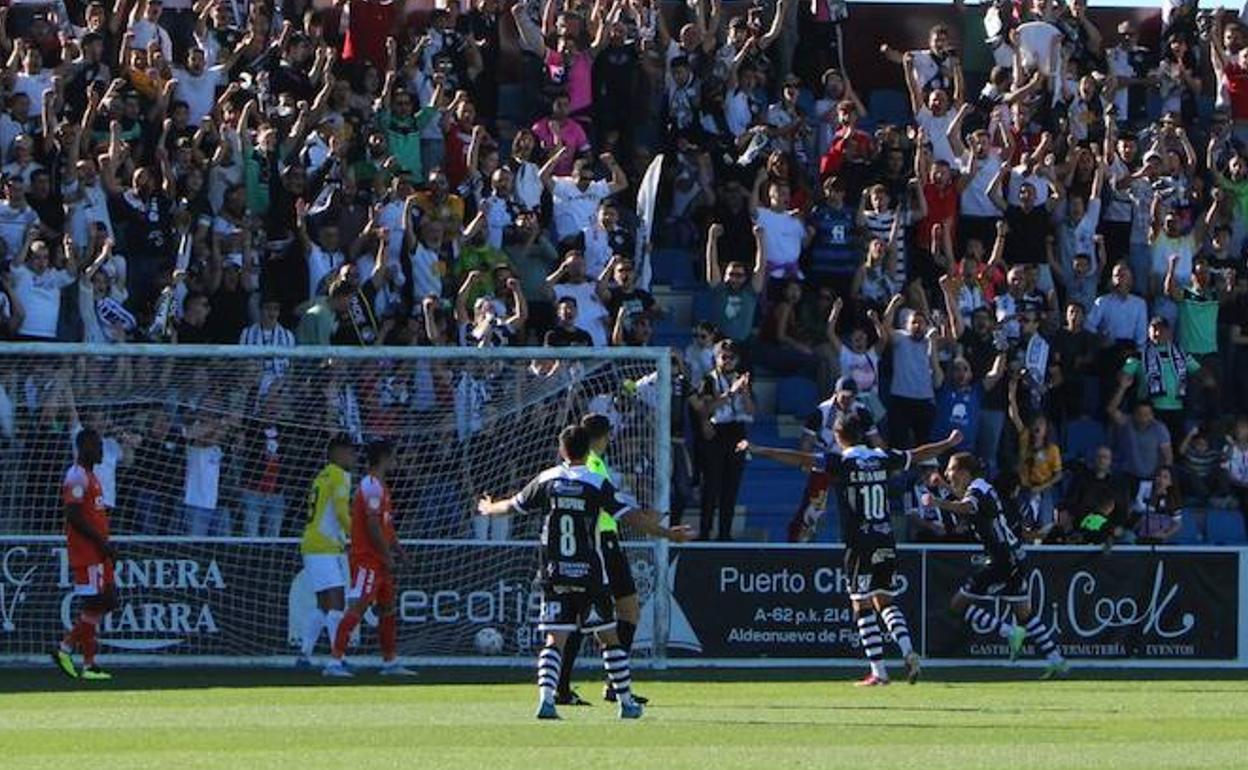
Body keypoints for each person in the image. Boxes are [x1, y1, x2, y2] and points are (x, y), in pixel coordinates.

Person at [476, 425, 691, 720]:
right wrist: (667, 534)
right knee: (608, 637)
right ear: (587, 449)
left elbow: (513, 506)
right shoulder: (595, 482)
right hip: (590, 573)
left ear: (562, 449)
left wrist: (488, 508)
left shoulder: (547, 479)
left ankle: (546, 700)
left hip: (554, 573)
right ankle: (626, 703)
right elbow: (631, 519)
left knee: (555, 639)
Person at [742, 416, 963, 685]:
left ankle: (879, 671)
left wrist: (761, 449)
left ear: (837, 435)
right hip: (885, 538)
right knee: (885, 600)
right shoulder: (881, 456)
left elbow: (801, 459)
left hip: (860, 542)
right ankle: (908, 651)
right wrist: (948, 443)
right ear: (862, 434)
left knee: (861, 603)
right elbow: (918, 454)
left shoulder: (840, 461)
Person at [557, 413, 688, 706]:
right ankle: (586, 686)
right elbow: (608, 506)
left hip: (601, 541)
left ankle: (598, 685)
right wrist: (654, 525)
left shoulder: (590, 463)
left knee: (608, 615)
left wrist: (640, 512)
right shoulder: (592, 464)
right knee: (604, 616)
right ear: (605, 436)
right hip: (601, 544)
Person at [927, 452, 1070, 680]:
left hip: (1001, 559)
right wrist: (943, 485)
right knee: (1025, 615)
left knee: (957, 605)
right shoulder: (980, 487)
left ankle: (1010, 632)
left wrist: (937, 502)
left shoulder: (976, 491)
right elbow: (965, 500)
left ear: (964, 472)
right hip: (1014, 557)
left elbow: (967, 508)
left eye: (951, 470)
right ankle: (1057, 660)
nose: (947, 473)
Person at [324, 441, 414, 677]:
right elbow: (373, 526)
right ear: (383, 458)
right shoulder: (370, 486)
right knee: (358, 607)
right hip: (367, 560)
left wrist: (400, 552)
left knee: (387, 609)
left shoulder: (381, 487)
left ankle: (389, 661)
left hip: (379, 561)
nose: (396, 461)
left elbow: (386, 526)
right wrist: (387, 556)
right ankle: (334, 662)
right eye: (393, 456)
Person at [51, 428, 117, 681]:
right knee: (100, 602)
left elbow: (93, 515)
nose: (101, 451)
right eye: (98, 446)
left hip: (99, 551)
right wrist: (101, 543)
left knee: (105, 601)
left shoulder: (92, 476)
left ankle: (88, 664)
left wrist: (106, 544)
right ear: (86, 447)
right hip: (88, 552)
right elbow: (74, 515)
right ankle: (65, 648)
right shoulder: (76, 475)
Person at [297, 435, 354, 668]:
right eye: (350, 452)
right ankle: (337, 660)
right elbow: (341, 512)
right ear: (337, 454)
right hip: (323, 547)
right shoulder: (339, 474)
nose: (354, 457)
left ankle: (304, 655)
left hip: (313, 545)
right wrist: (357, 537)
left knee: (323, 605)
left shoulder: (322, 476)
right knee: (337, 603)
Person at [690, 339, 754, 541]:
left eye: (731, 357)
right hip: (716, 433)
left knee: (731, 486)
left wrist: (744, 393)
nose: (727, 361)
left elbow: (751, 411)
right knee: (711, 486)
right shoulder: (709, 380)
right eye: (723, 357)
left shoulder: (740, 379)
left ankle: (725, 533)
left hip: (737, 433)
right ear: (716, 358)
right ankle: (705, 531)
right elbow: (707, 409)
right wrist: (731, 392)